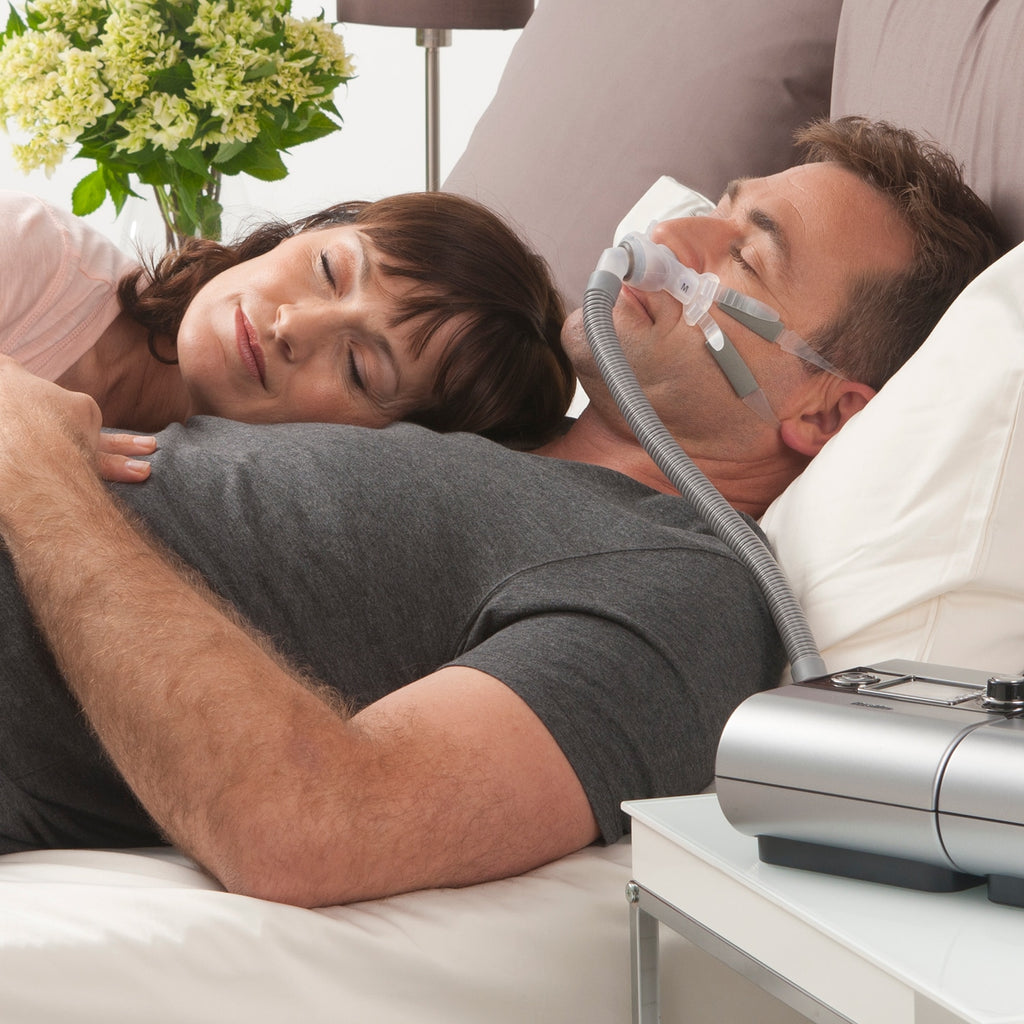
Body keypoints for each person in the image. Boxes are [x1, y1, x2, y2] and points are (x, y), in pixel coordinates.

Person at [0, 117, 1004, 907]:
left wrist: (36, 471)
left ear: (823, 406)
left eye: (745, 256)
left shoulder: (678, 592)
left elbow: (308, 823)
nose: (669, 231)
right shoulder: (462, 427)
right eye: (716, 203)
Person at [1, 189, 574, 449]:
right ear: (315, 227)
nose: (294, 326)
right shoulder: (35, 256)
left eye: (358, 367)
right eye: (329, 269)